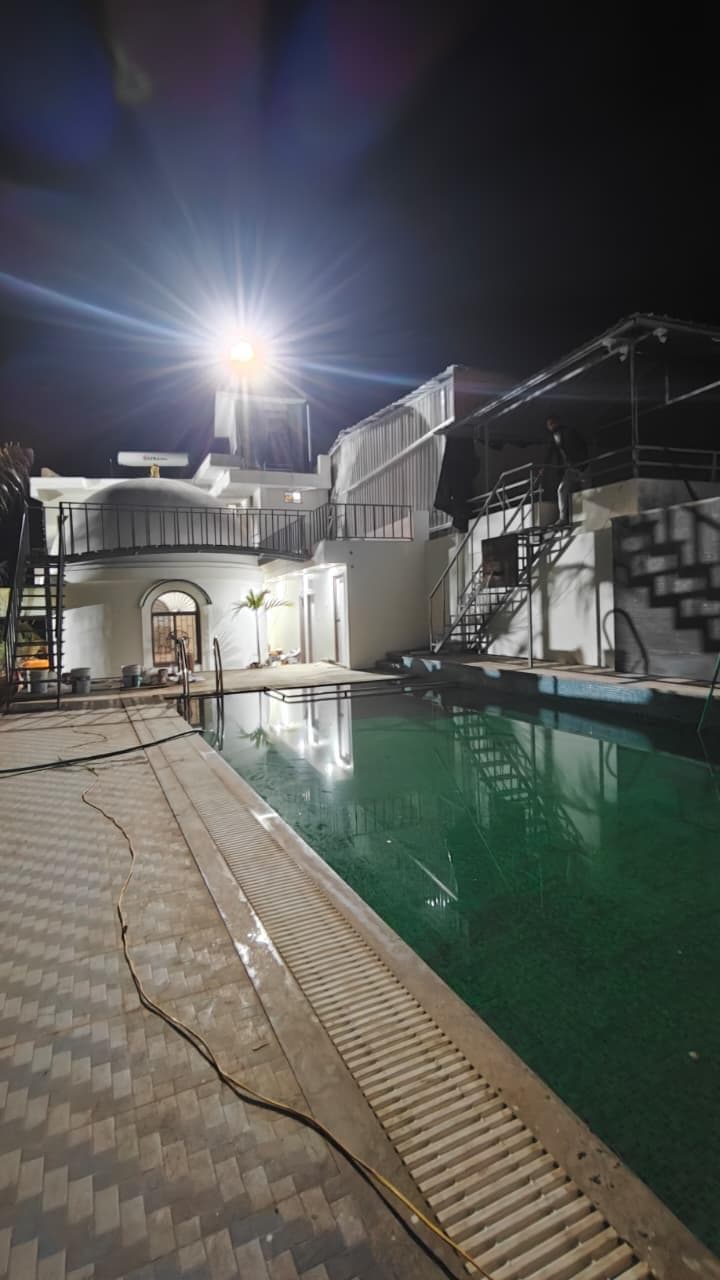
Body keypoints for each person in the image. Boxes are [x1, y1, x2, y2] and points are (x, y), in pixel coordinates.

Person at [543, 416, 588, 525]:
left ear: (557, 423)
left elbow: (581, 444)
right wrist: (544, 468)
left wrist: (583, 460)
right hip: (569, 468)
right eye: (549, 425)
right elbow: (550, 454)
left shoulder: (569, 432)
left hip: (582, 465)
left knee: (586, 489)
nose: (551, 426)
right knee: (562, 489)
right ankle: (563, 517)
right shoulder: (552, 438)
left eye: (552, 423)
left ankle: (588, 513)